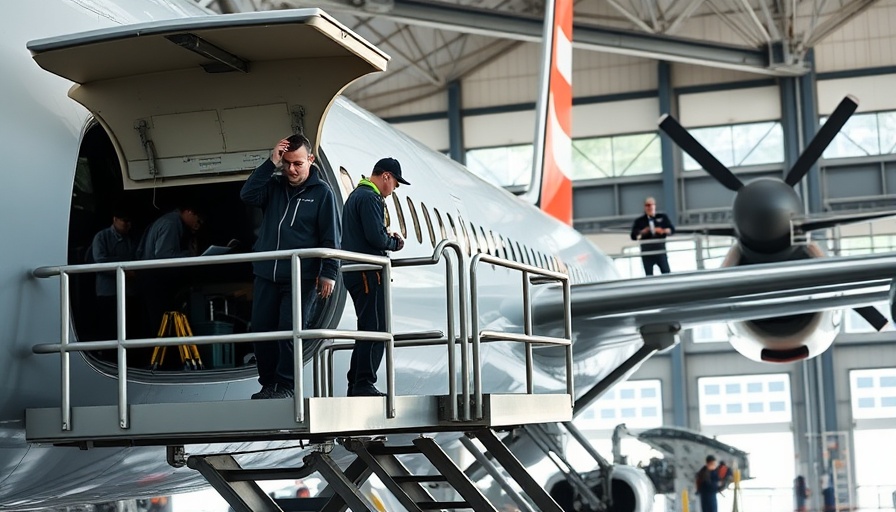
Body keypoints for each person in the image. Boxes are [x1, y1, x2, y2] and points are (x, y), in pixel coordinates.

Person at [241, 134, 339, 400]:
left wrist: (329, 272)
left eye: (297, 164)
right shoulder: (274, 186)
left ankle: (285, 386)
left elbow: (331, 238)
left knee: (289, 333)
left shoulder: (322, 194)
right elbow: (247, 194)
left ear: (310, 159)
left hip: (300, 277)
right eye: (286, 164)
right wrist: (270, 163)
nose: (291, 170)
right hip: (266, 274)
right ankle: (268, 384)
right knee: (261, 331)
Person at [342, 157, 409, 396]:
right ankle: (363, 383)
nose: (393, 191)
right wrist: (395, 242)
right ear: (386, 177)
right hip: (367, 273)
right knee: (376, 328)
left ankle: (358, 383)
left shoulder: (355, 196)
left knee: (367, 327)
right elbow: (376, 238)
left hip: (356, 271)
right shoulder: (370, 198)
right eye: (395, 185)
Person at [136, 205, 205, 341]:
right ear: (189, 211)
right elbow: (164, 255)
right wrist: (190, 255)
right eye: (198, 220)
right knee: (160, 323)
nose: (199, 225)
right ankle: (162, 358)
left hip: (152, 278)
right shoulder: (172, 223)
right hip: (155, 280)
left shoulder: (170, 222)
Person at [90, 208, 137, 341]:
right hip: (108, 292)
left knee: (129, 329)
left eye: (130, 222)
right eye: (125, 221)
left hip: (129, 292)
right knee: (109, 330)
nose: (129, 225)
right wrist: (125, 272)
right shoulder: (101, 237)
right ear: (115, 219)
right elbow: (99, 261)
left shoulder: (131, 239)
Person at [630, 196, 675, 275]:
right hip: (647, 252)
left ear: (655, 206)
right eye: (647, 205)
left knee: (666, 272)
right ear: (644, 207)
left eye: (651, 205)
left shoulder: (662, 217)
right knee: (649, 274)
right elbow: (633, 236)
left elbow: (672, 229)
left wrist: (662, 230)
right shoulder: (639, 221)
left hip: (660, 250)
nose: (649, 207)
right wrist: (644, 231)